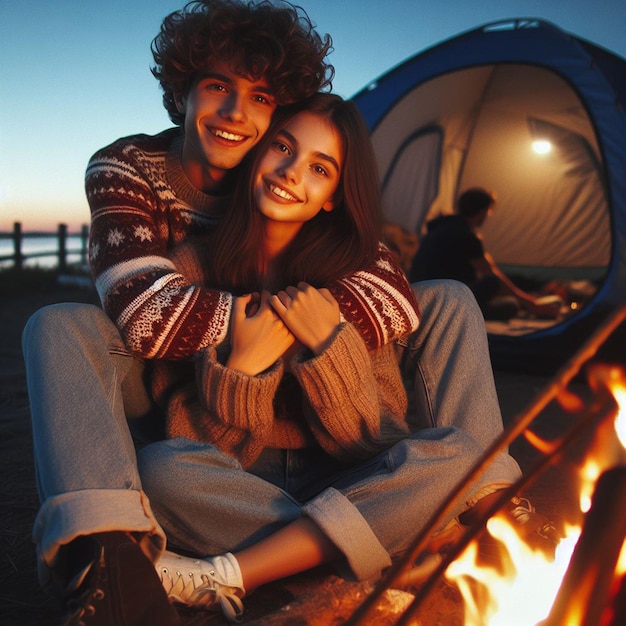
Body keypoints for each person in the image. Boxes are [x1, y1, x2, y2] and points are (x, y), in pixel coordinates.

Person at [21, 2, 420, 625]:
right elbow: (144, 313)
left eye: (260, 98)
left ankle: (281, 556)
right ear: (183, 90)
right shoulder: (128, 166)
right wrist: (255, 334)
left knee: (446, 299)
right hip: (161, 379)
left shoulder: (271, 169)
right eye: (217, 87)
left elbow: (392, 291)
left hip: (279, 403)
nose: (236, 114)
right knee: (57, 326)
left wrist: (312, 325)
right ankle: (106, 561)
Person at [135, 94, 541, 623]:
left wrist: (329, 346)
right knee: (160, 469)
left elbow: (367, 441)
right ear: (259, 153)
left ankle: (232, 575)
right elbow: (198, 445)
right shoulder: (191, 268)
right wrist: (241, 369)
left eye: (319, 168)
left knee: (459, 456)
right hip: (244, 490)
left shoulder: (359, 279)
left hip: (350, 478)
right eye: (282, 146)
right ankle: (377, 549)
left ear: (332, 195)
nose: (289, 172)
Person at [409, 187, 562, 321]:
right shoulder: (465, 235)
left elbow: (487, 266)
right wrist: (530, 304)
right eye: (489, 211)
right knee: (504, 297)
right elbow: (491, 273)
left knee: (503, 290)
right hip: (445, 300)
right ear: (482, 211)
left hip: (421, 297)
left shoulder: (440, 227)